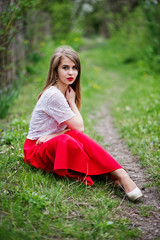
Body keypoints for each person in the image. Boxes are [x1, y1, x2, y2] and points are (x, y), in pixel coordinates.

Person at [23, 46, 143, 201]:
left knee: (72, 139)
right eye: (65, 68)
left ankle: (112, 174)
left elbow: (72, 129)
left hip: (49, 142)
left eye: (74, 68)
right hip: (36, 149)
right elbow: (79, 127)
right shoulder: (54, 95)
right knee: (71, 137)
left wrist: (54, 134)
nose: (71, 72)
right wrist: (72, 103)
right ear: (55, 70)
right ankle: (119, 174)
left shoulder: (64, 91)